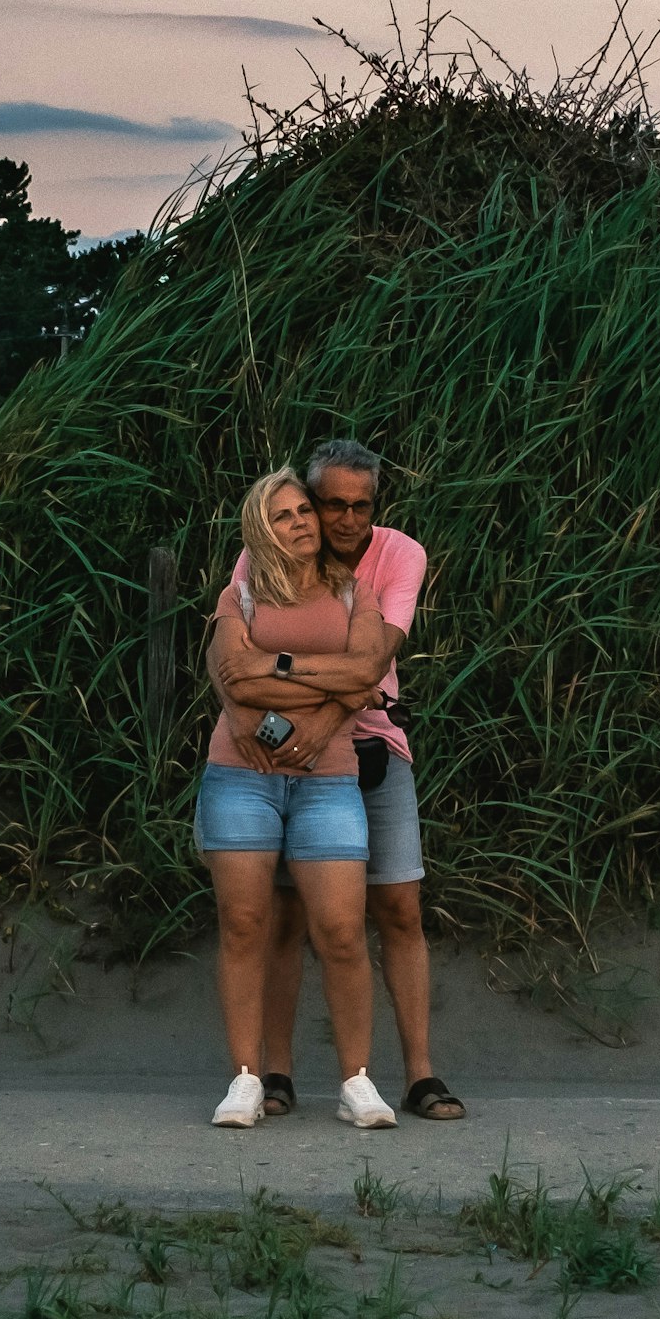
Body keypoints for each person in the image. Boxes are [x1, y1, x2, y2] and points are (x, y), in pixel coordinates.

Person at [222, 438, 468, 1123]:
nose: (348, 520)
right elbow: (226, 653)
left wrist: (314, 721)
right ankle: (275, 1073)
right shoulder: (267, 549)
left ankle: (420, 1074)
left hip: (368, 747)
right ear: (310, 499)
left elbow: (371, 664)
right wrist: (251, 710)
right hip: (281, 753)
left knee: (399, 908)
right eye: (333, 504)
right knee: (284, 917)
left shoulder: (399, 555)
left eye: (362, 505)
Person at [195, 466, 402, 1127]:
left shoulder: (352, 593)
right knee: (245, 926)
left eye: (304, 513)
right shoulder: (240, 598)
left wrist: (278, 665)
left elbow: (369, 671)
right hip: (240, 777)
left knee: (341, 929)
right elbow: (238, 681)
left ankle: (357, 1083)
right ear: (261, 529)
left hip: (329, 781)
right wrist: (326, 680)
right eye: (284, 516)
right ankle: (246, 1080)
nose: (302, 523)